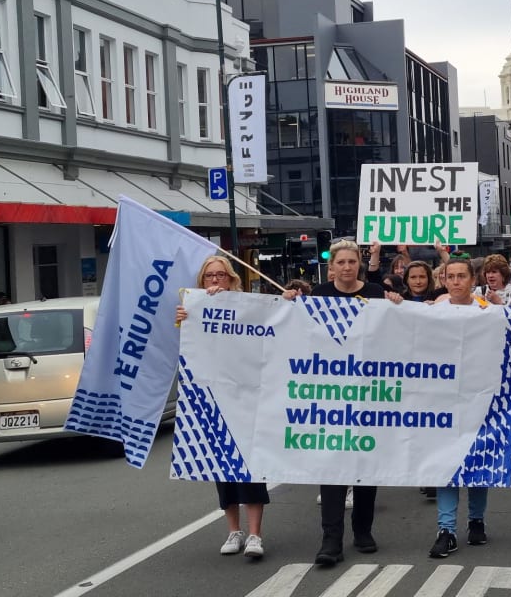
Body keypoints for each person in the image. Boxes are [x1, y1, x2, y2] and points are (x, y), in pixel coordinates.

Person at [281, 240, 403, 567]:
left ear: (359, 264)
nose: (347, 267)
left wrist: (399, 303)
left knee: (365, 464)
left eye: (352, 261)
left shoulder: (377, 293)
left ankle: (363, 530)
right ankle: (331, 539)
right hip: (330, 397)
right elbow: (294, 330)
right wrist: (287, 304)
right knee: (332, 465)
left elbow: (400, 330)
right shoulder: (319, 294)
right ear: (332, 266)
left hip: (368, 394)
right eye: (341, 262)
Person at [174, 255, 268, 559]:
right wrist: (185, 320)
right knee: (222, 466)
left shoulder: (247, 306)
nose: (215, 280)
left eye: (221, 275)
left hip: (246, 398)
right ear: (202, 282)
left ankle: (255, 534)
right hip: (213, 399)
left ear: (231, 279)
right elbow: (191, 349)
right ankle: (233, 531)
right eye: (209, 276)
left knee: (251, 467)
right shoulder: (192, 309)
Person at [428, 257, 493, 558]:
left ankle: (476, 521)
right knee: (447, 464)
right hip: (443, 400)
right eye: (450, 276)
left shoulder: (488, 312)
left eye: (461, 276)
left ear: (472, 279)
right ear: (443, 280)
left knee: (477, 463)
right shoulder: (433, 312)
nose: (456, 282)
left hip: (479, 397)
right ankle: (447, 529)